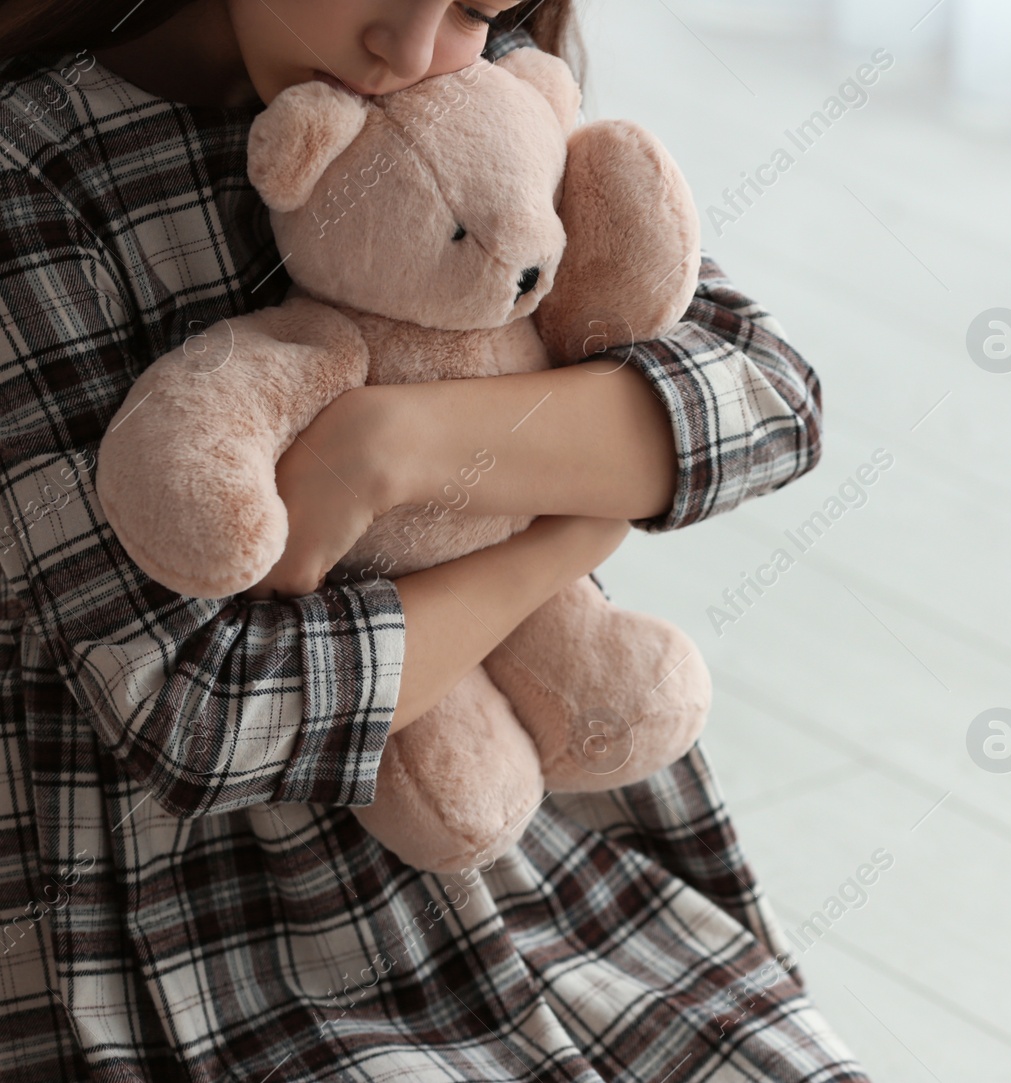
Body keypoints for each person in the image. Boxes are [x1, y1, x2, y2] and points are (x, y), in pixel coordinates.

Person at [0, 1, 868, 1078]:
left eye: (472, 5)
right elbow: (201, 712)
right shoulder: (32, 172)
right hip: (185, 918)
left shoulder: (477, 90)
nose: (409, 52)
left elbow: (765, 398)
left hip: (530, 833)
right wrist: (569, 521)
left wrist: (392, 446)